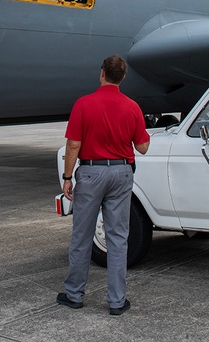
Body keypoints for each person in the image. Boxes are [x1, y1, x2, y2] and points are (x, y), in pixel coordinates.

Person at [58, 55, 150, 316]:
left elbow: (73, 144)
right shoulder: (132, 107)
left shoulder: (84, 104)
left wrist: (67, 177)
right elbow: (142, 147)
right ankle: (117, 301)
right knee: (118, 237)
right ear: (123, 77)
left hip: (90, 172)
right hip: (121, 172)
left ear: (102, 74)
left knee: (82, 236)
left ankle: (74, 294)